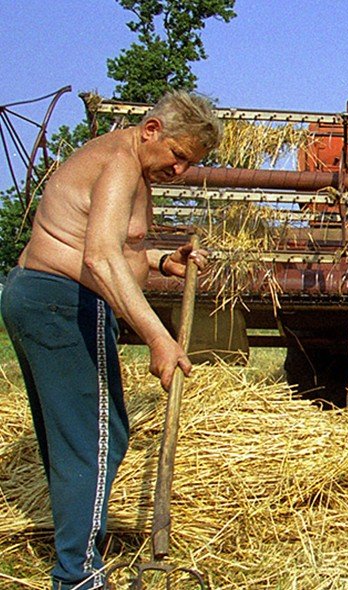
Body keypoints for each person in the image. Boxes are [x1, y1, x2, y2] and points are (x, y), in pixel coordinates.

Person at [0, 91, 221, 590]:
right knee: (98, 438)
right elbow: (99, 258)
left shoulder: (118, 159)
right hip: (63, 303)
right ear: (151, 130)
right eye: (178, 156)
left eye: (191, 164)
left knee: (80, 436)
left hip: (38, 297)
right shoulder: (121, 162)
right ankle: (77, 575)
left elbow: (106, 244)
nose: (180, 171)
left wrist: (164, 261)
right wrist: (159, 338)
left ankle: (75, 559)